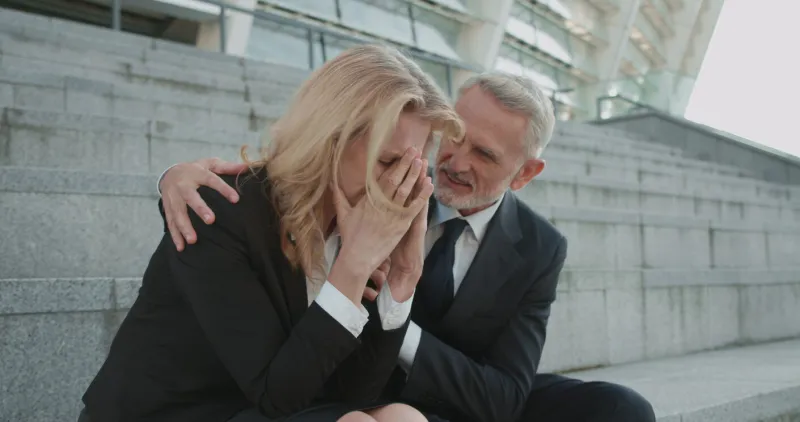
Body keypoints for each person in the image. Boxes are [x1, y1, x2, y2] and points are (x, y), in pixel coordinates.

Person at [159, 73, 656, 422]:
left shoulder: (541, 247)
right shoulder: (384, 180)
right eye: (453, 137)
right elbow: (301, 167)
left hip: (462, 399)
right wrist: (176, 176)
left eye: (483, 154)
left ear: (525, 173)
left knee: (622, 410)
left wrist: (401, 324)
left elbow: (505, 397)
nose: (453, 162)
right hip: (360, 387)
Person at [79, 44, 464, 422]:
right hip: (182, 412)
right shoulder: (219, 212)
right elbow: (276, 396)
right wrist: (352, 267)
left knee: (402, 416)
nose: (403, 182)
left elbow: (355, 395)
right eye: (389, 161)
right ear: (330, 138)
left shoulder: (360, 225)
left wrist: (403, 278)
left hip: (266, 410)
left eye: (416, 166)